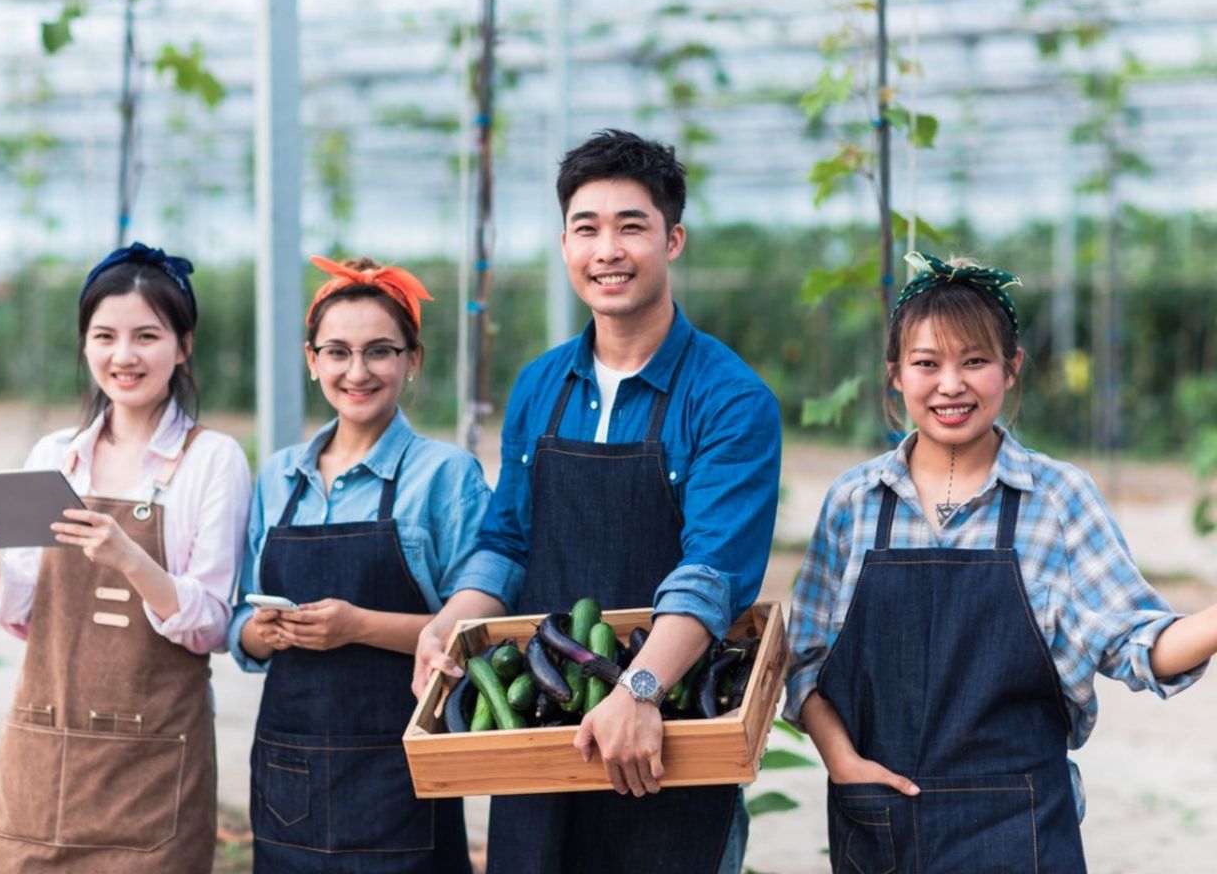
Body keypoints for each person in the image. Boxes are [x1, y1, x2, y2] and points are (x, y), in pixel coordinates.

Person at [413, 129, 783, 874]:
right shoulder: (539, 385)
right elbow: (508, 540)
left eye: (631, 226)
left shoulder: (729, 399)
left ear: (672, 239)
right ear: (564, 244)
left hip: (669, 729)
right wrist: (450, 625)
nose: (606, 250)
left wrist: (639, 686)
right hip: (542, 721)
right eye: (587, 229)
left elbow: (713, 572)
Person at [785, 252, 1217, 873]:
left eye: (976, 361)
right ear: (895, 375)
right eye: (927, 364)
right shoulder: (854, 503)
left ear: (1011, 370)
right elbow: (805, 666)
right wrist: (842, 763)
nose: (951, 384)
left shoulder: (1058, 498)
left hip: (1021, 830)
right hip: (880, 822)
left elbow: (1138, 644)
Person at [0, 242, 251, 873]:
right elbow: (30, 615)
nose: (124, 355)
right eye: (104, 335)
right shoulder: (54, 454)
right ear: (85, 346)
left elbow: (213, 625)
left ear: (183, 346)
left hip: (153, 768)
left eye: (146, 336)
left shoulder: (213, 460)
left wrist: (131, 559)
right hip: (39, 753)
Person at [229, 255, 491, 874]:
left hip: (402, 773)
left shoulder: (446, 475)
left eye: (379, 351)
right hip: (288, 770)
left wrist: (356, 626)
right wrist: (259, 632)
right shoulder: (278, 475)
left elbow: (477, 633)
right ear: (311, 358)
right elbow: (239, 617)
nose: (357, 371)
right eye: (337, 351)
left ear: (412, 360)